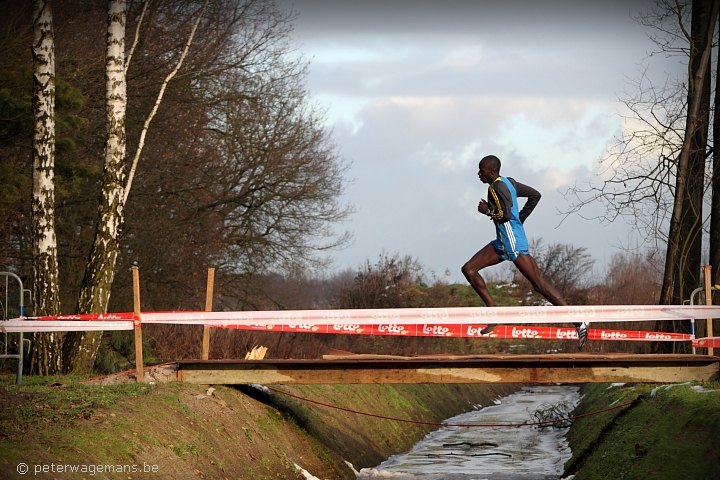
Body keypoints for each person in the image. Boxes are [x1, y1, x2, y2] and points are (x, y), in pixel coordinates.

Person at [461, 155, 588, 349]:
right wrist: (520, 219)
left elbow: (504, 215)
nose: (478, 174)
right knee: (469, 269)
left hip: (512, 243)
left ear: (492, 171)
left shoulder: (495, 187)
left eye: (481, 170)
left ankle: (579, 323)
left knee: (539, 284)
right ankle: (494, 312)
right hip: (504, 241)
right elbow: (535, 195)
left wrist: (487, 211)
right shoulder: (508, 182)